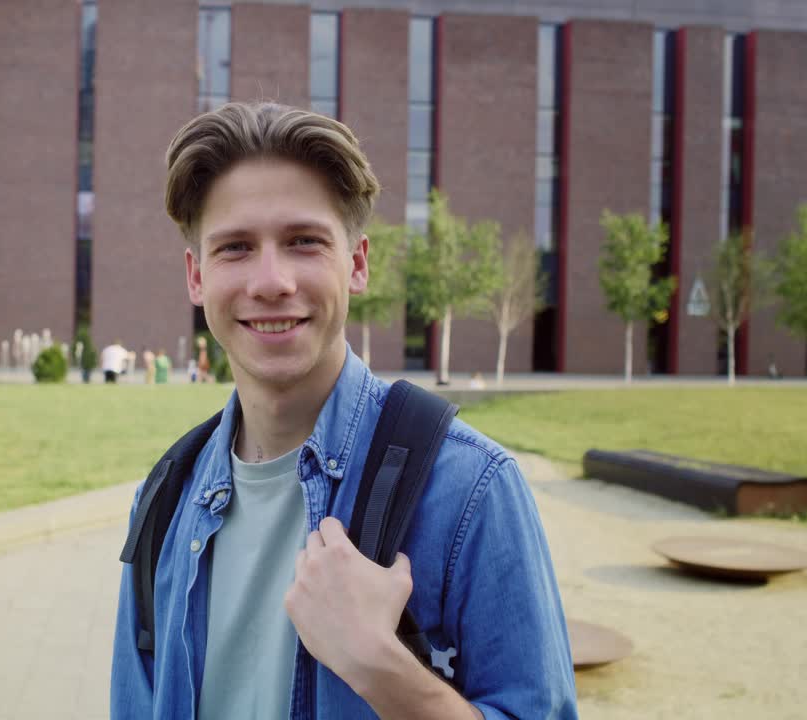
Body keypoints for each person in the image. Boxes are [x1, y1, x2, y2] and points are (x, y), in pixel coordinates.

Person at [110, 102, 576, 718]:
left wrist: (378, 666)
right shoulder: (164, 500)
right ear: (197, 278)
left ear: (356, 263)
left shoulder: (472, 489)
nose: (271, 281)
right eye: (235, 248)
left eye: (304, 242)